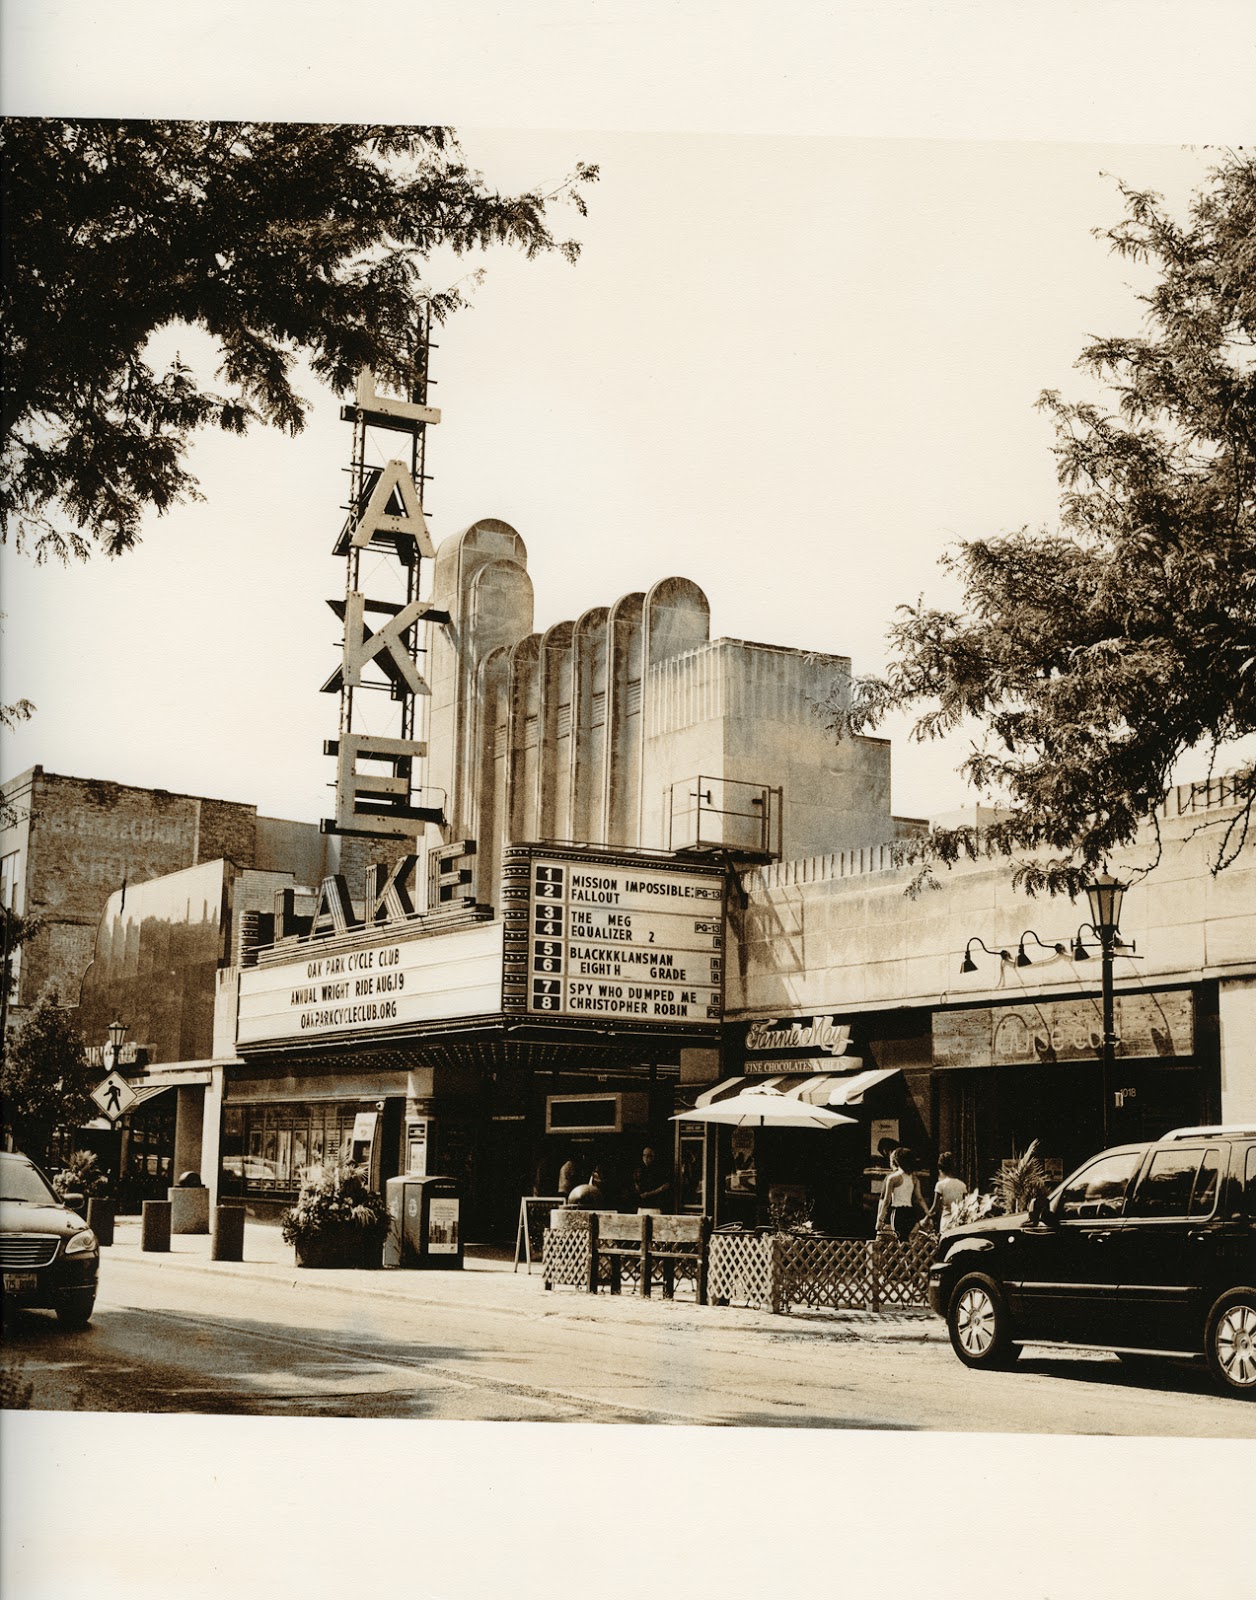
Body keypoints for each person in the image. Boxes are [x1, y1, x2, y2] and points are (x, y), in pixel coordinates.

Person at [876, 1146, 926, 1239]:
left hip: (897, 1211)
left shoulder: (892, 1178)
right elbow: (919, 1198)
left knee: (899, 1238)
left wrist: (880, 1219)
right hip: (910, 1211)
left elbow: (885, 1201)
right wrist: (928, 1213)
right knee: (907, 1239)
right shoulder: (914, 1179)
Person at [924, 1151, 968, 1232]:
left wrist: (925, 1219)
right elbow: (966, 1205)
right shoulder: (962, 1185)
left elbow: (934, 1208)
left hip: (946, 1220)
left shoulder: (940, 1185)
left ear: (940, 1169)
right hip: (958, 1222)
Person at [631, 1146, 670, 1210]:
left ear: (653, 1157)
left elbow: (665, 1186)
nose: (646, 1158)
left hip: (655, 1205)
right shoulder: (638, 1170)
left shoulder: (659, 1171)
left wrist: (649, 1193)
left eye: (649, 1156)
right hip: (641, 1205)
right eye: (644, 1155)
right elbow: (639, 1191)